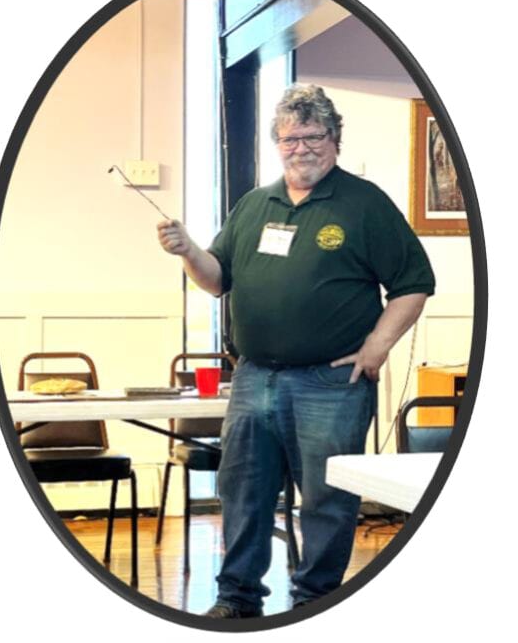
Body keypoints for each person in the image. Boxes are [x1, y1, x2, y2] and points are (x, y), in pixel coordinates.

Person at [157, 84, 435, 618]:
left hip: (330, 385)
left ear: (335, 139)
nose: (301, 148)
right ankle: (237, 599)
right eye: (290, 138)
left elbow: (413, 285)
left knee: (327, 498)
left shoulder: (364, 203)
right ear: (276, 144)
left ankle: (316, 601)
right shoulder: (254, 205)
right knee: (242, 491)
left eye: (313, 136)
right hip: (253, 376)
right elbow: (217, 280)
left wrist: (375, 349)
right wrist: (189, 251)